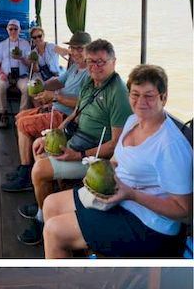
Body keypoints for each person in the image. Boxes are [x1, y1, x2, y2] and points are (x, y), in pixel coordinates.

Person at [43, 64, 193, 258]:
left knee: (54, 231)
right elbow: (115, 161)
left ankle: (69, 274)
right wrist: (96, 167)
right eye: (135, 94)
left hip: (149, 225)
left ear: (163, 98)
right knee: (50, 204)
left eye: (149, 95)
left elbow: (184, 210)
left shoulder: (170, 145)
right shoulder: (132, 121)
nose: (141, 102)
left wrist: (131, 195)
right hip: (117, 198)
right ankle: (77, 260)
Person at [18, 39, 131, 246]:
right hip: (77, 137)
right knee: (39, 146)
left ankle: (42, 220)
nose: (95, 67)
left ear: (114, 62)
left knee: (39, 170)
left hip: (94, 155)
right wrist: (56, 131)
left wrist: (77, 155)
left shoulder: (119, 94)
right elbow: (77, 112)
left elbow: (115, 145)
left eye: (101, 62)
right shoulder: (91, 82)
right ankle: (47, 205)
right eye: (91, 62)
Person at [2, 31, 91, 194]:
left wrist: (55, 97)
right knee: (19, 117)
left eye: (80, 49)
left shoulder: (90, 74)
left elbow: (83, 104)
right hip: (55, 108)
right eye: (73, 48)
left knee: (23, 124)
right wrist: (42, 86)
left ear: (89, 50)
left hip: (66, 117)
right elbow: (58, 81)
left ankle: (25, 175)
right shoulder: (74, 69)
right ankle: (26, 168)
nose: (76, 52)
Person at [0, 19, 32, 128]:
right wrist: (0, 73)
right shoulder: (2, 45)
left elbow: (30, 64)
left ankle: (21, 115)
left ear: (19, 30)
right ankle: (3, 114)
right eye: (11, 29)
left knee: (27, 88)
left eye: (15, 29)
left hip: (21, 75)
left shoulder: (25, 44)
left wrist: (22, 58)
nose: (13, 31)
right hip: (7, 75)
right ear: (7, 30)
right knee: (0, 86)